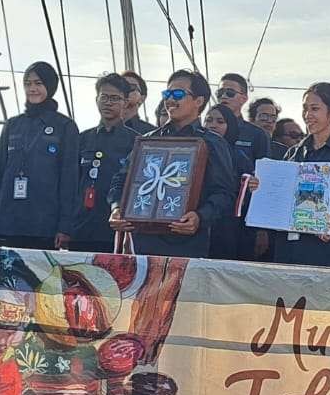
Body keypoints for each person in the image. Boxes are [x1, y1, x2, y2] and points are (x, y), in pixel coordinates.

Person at [111, 69, 236, 258]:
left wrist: (200, 217)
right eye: (167, 94)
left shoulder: (212, 143)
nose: (170, 100)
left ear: (199, 101)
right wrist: (116, 208)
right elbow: (120, 181)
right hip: (142, 243)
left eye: (178, 94)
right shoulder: (146, 141)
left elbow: (225, 193)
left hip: (188, 243)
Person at [255, 83, 330, 268]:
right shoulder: (294, 152)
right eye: (305, 109)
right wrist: (260, 188)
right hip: (288, 250)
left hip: (327, 252)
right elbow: (281, 199)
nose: (308, 115)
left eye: (315, 109)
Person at [0, 61, 80, 250]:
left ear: (49, 86)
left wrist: (65, 226)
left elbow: (69, 180)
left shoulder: (65, 126)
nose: (32, 88)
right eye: (28, 83)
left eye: (38, 83)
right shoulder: (13, 125)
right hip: (7, 220)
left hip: (44, 224)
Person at [67, 75, 139, 254]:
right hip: (82, 227)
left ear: (125, 102)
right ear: (96, 100)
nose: (108, 103)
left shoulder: (136, 141)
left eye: (115, 98)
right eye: (104, 97)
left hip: (117, 228)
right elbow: (69, 184)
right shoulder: (82, 139)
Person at [202, 102, 254, 260]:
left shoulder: (239, 157)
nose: (213, 125)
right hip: (197, 224)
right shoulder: (194, 149)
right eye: (209, 120)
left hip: (227, 225)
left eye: (220, 121)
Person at [216, 73, 273, 168]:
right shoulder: (207, 130)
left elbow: (264, 171)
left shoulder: (257, 134)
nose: (223, 96)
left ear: (244, 98)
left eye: (230, 93)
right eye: (220, 93)